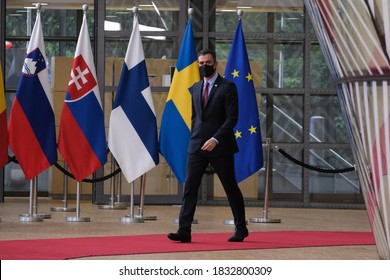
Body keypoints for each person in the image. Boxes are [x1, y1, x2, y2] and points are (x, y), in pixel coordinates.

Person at [167, 49, 248, 243]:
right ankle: (184, 230)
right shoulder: (195, 87)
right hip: (197, 147)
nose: (205, 66)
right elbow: (196, 118)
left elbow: (232, 118)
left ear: (216, 63)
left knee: (230, 187)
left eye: (208, 62)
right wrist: (196, 139)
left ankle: (241, 228)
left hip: (220, 147)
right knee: (190, 188)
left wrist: (216, 138)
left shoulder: (228, 87)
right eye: (201, 63)